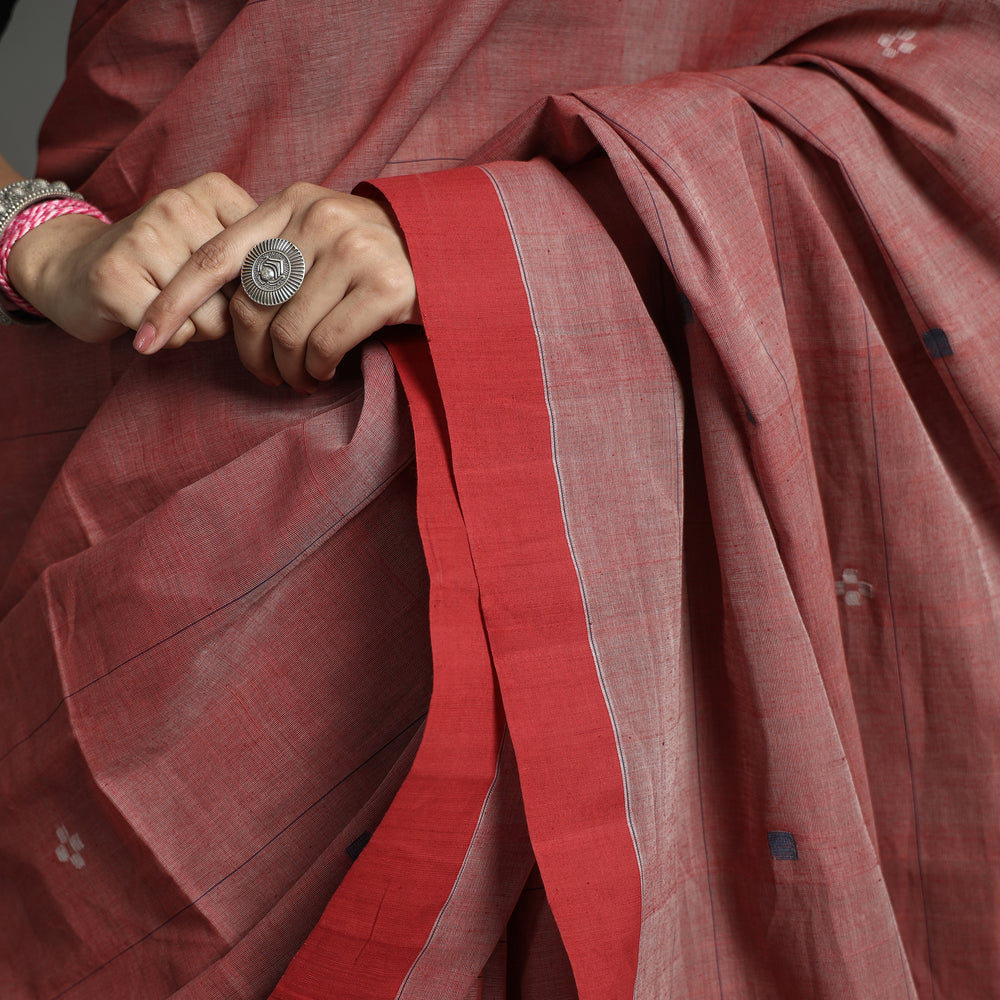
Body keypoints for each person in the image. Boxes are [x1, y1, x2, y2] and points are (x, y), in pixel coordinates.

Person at [2, 1, 1000, 998]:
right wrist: (43, 243)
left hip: (669, 549)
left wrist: (497, 242)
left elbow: (963, 88)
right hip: (185, 552)